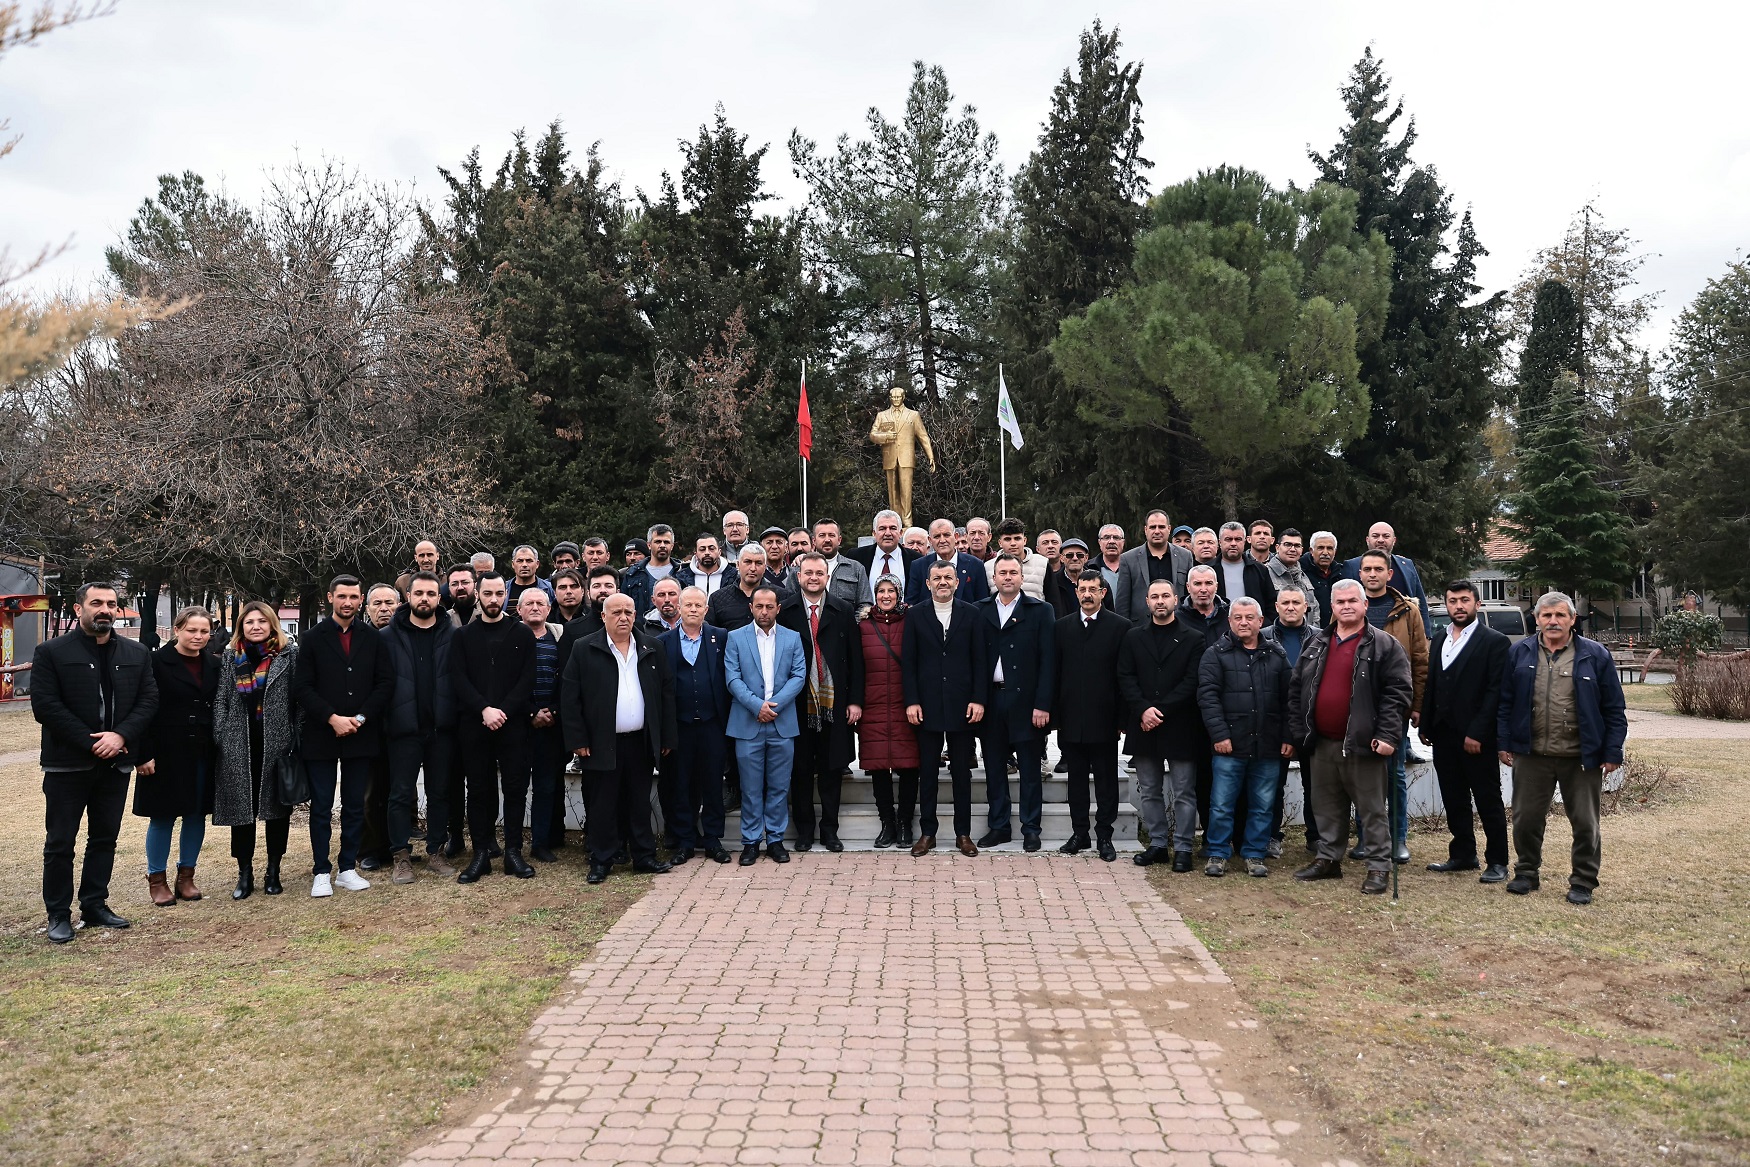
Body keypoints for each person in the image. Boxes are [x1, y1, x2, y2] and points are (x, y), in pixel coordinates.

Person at [30, 582, 158, 942]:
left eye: (112, 604)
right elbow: (46, 706)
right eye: (97, 603)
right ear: (78, 609)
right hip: (67, 765)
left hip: (115, 763)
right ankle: (58, 914)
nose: (105, 610)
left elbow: (148, 700)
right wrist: (93, 743)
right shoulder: (51, 652)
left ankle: (94, 904)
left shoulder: (136, 653)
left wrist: (120, 736)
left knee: (104, 838)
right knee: (60, 843)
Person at [1496, 592, 1627, 905]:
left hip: (1580, 757)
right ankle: (1526, 873)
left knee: (1585, 823)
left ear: (1572, 619)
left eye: (1560, 615)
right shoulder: (1519, 652)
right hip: (1531, 755)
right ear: (1536, 619)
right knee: (1526, 819)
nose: (1553, 621)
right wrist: (1504, 742)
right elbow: (1505, 703)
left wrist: (1612, 751)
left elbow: (1613, 708)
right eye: (1546, 615)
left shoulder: (1594, 655)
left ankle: (1583, 880)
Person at [1286, 579, 1413, 895]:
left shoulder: (1384, 645)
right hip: (1322, 744)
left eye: (1352, 601)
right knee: (1326, 806)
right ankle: (1329, 859)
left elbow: (1397, 694)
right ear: (1332, 607)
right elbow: (1296, 690)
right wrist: (1300, 732)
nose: (1346, 606)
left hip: (1363, 744)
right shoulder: (1316, 643)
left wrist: (1388, 735)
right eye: (1340, 602)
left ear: (1364, 604)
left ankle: (1378, 866)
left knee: (1372, 810)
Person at [561, 593, 677, 883]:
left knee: (639, 802)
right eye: (616, 612)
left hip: (640, 741)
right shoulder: (584, 648)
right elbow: (570, 698)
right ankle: (602, 860)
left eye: (628, 611)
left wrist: (665, 737)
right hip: (600, 742)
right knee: (603, 804)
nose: (623, 617)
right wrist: (578, 739)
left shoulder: (652, 646)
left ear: (636, 615)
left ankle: (644, 856)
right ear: (603, 616)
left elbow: (665, 694)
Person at [294, 575, 394, 898]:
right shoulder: (312, 638)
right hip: (322, 734)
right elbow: (302, 687)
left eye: (353, 597)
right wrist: (332, 718)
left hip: (361, 733)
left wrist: (361, 718)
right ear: (330, 598)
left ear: (360, 599)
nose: (348, 602)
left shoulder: (373, 638)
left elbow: (384, 684)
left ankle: (347, 867)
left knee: (354, 804)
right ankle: (321, 870)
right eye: (342, 597)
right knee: (322, 806)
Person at [1418, 580, 1511, 883]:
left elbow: (1496, 692)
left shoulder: (1494, 641)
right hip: (1443, 735)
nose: (1458, 606)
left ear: (1477, 604)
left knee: (1487, 799)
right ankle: (1462, 854)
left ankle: (1497, 861)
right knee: (1453, 797)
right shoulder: (1439, 639)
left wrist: (1478, 733)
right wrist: (1426, 724)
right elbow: (1433, 683)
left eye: (1464, 600)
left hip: (1476, 738)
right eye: (1452, 601)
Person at [1196, 598, 1294, 878]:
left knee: (1262, 806)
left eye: (1249, 617)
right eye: (1237, 617)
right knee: (1221, 805)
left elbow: (1290, 700)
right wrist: (1219, 734)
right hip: (1229, 745)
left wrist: (1288, 736)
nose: (1243, 622)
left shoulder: (1276, 654)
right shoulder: (1215, 654)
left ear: (1261, 621)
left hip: (1268, 745)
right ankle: (1217, 852)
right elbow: (1208, 698)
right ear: (1229, 621)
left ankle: (1254, 853)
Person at [452, 572, 537, 883]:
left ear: (506, 595)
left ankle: (513, 852)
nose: (493, 599)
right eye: (487, 593)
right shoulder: (463, 636)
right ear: (478, 594)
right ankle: (481, 854)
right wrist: (484, 709)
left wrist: (503, 711)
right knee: (478, 789)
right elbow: (458, 678)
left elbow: (527, 679)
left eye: (499, 593)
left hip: (513, 724)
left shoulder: (522, 634)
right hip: (475, 724)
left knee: (515, 788)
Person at [212, 601, 299, 902]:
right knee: (242, 812)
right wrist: (221, 734)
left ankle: (273, 871)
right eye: (249, 622)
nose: (256, 627)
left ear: (272, 624)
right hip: (239, 741)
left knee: (278, 810)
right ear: (241, 627)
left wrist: (295, 736)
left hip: (277, 741)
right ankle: (244, 872)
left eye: (262, 621)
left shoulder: (288, 654)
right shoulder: (231, 656)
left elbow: (297, 699)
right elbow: (222, 698)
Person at [778, 553, 865, 851]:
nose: (813, 578)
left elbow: (856, 659)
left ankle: (830, 831)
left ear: (827, 577)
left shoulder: (843, 609)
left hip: (833, 704)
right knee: (800, 770)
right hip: (797, 703)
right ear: (799, 576)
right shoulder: (786, 610)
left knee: (831, 770)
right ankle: (804, 831)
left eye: (819, 573)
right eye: (808, 573)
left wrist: (855, 701)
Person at [134, 605, 220, 906]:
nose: (198, 636)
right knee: (163, 815)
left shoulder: (215, 664)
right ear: (177, 630)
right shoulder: (155, 662)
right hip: (164, 750)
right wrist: (142, 754)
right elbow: (141, 709)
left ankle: (186, 877)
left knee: (196, 814)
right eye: (192, 630)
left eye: (204, 631)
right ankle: (157, 879)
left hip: (202, 750)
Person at [903, 560, 990, 857]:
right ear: (928, 583)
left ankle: (963, 833)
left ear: (957, 582)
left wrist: (978, 699)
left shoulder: (972, 613)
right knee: (927, 772)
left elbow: (980, 661)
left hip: (962, 704)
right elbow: (909, 662)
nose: (943, 582)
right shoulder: (915, 615)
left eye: (948, 577)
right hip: (926, 705)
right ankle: (928, 833)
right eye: (937, 578)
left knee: (961, 773)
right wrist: (912, 700)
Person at [379, 572, 459, 883]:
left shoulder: (453, 635)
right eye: (419, 593)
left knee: (440, 793)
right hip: (403, 730)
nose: (425, 598)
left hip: (441, 729)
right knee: (400, 794)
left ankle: (436, 851)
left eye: (431, 593)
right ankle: (400, 856)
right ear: (408, 597)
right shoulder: (387, 637)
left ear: (439, 598)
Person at [1118, 581, 1204, 871]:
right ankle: (1157, 845)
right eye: (1154, 596)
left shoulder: (1194, 638)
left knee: (1184, 791)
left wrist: (1160, 711)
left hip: (1180, 724)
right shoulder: (1133, 637)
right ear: (1147, 602)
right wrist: (1143, 709)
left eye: (1165, 596)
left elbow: (1192, 681)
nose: (1160, 601)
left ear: (1176, 600)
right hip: (1143, 724)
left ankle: (1183, 848)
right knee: (1149, 790)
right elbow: (1125, 676)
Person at [976, 552, 1055, 851]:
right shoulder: (979, 610)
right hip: (991, 700)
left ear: (1022, 577)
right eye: (1002, 573)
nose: (1008, 577)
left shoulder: (1041, 610)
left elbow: (1049, 661)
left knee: (1030, 771)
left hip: (1027, 703)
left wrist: (1043, 704)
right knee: (994, 769)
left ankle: (1031, 828)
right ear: (994, 578)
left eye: (1013, 572)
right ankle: (999, 827)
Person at [724, 587, 808, 865]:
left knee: (779, 787)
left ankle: (775, 840)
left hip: (782, 723)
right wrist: (756, 706)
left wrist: (773, 707)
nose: (764, 612)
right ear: (751, 608)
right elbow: (732, 678)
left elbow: (799, 676)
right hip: (747, 722)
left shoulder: (792, 638)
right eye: (759, 606)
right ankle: (750, 842)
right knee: (749, 788)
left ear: (778, 609)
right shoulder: (735, 638)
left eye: (769, 606)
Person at [1357, 547, 1429, 863]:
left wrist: (1417, 704)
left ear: (1389, 574)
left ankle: (1398, 838)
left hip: (1394, 704)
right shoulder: (1350, 605)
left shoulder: (1407, 610)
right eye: (1367, 569)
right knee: (1361, 773)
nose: (1372, 574)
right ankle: (1366, 837)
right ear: (1360, 574)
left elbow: (1420, 658)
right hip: (1358, 705)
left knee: (1394, 773)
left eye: (1378, 569)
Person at [1053, 569, 1131, 861]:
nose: (1087, 594)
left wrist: (1122, 719)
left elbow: (1125, 677)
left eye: (1092, 590)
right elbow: (1055, 674)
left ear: (1103, 593)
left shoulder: (1120, 627)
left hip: (1105, 719)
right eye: (1082, 589)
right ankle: (1080, 833)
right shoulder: (1061, 627)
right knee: (1076, 781)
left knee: (1106, 781)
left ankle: (1105, 836)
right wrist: (1056, 716)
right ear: (1076, 592)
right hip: (1071, 718)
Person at [658, 587, 732, 864]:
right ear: (679, 607)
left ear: (706, 610)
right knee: (681, 784)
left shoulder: (720, 637)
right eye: (687, 604)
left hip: (713, 725)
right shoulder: (663, 642)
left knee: (713, 783)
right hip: (680, 726)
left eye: (698, 605)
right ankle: (685, 841)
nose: (692, 609)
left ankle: (713, 840)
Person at [857, 578, 919, 848]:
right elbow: (856, 667)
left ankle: (905, 822)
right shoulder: (863, 626)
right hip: (873, 705)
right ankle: (887, 823)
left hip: (907, 705)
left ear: (899, 593)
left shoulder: (912, 622)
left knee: (909, 766)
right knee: (878, 767)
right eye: (880, 591)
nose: (885, 596)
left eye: (891, 591)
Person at [1262, 587, 1313, 856]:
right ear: (1276, 606)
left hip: (1311, 723)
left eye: (1296, 602)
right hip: (1274, 722)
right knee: (1272, 785)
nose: (1290, 607)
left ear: (1306, 606)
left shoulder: (1320, 638)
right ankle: (1271, 836)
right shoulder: (1262, 637)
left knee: (1315, 784)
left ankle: (1316, 836)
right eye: (1285, 602)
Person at [517, 588, 566, 866]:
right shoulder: (512, 638)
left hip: (551, 724)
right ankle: (513, 844)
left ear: (549, 609)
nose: (535, 607)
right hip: (519, 724)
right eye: (529, 603)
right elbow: (506, 682)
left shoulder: (559, 640)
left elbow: (567, 680)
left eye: (540, 603)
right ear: (519, 610)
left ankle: (541, 843)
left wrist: (553, 711)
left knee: (546, 787)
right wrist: (531, 712)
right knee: (517, 786)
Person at [356, 583, 401, 873]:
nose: (384, 609)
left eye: (389, 603)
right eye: (377, 603)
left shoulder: (405, 636)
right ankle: (369, 849)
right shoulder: (360, 639)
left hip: (401, 725)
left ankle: (394, 845)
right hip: (368, 725)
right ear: (367, 607)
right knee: (370, 793)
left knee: (396, 790)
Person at [869, 385, 937, 527]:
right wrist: (886, 436)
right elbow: (873, 435)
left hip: (906, 458)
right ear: (890, 398)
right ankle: (895, 523)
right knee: (892, 493)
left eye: (898, 397)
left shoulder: (913, 415)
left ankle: (907, 523)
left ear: (903, 397)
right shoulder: (882, 415)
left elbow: (923, 436)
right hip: (889, 457)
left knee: (906, 492)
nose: (896, 400)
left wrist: (930, 456)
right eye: (893, 397)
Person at [1341, 521, 1431, 628]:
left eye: (1386, 536)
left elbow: (1421, 603)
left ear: (1394, 540)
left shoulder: (1407, 565)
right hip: (1364, 629)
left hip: (1403, 630)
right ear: (1367, 540)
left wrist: (1426, 633)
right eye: (1375, 536)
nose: (1380, 540)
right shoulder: (1352, 566)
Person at [1115, 509, 1194, 623]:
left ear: (1169, 529)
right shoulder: (1128, 559)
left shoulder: (1185, 556)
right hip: (1141, 626)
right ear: (1145, 530)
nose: (1157, 531)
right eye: (1152, 527)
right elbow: (1122, 601)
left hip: (1178, 624)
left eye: (1161, 527)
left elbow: (1190, 595)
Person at [907, 517, 990, 605]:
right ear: (930, 540)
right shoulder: (918, 566)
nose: (942, 540)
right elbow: (912, 603)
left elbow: (982, 602)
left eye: (946, 535)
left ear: (955, 537)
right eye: (937, 536)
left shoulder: (975, 564)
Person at [850, 509, 922, 604]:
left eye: (893, 528)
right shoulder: (856, 557)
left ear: (901, 533)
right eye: (882, 528)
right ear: (874, 533)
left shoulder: (916, 560)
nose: (888, 533)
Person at [622, 524, 694, 616]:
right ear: (649, 545)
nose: (662, 545)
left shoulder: (683, 572)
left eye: (666, 542)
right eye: (658, 542)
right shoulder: (633, 573)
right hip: (641, 624)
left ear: (672, 546)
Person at [1214, 522, 1277, 621]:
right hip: (1217, 627)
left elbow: (1271, 604)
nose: (1233, 543)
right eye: (1228, 539)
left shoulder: (1260, 570)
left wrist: (1265, 625)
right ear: (1220, 542)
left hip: (1254, 628)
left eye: (1238, 539)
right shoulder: (1209, 570)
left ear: (1244, 542)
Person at [709, 543, 779, 631]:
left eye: (758, 563)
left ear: (765, 567)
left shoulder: (781, 596)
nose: (753, 568)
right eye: (748, 562)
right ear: (738, 565)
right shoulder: (717, 599)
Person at [803, 518, 869, 607]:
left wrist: (851, 617)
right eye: (822, 535)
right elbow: (790, 604)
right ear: (814, 541)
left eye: (831, 535)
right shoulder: (800, 568)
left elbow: (865, 604)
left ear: (839, 540)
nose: (827, 540)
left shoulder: (856, 569)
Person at [1265, 529, 1322, 629]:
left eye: (1297, 546)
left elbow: (1314, 609)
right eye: (1287, 544)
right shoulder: (1265, 573)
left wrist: (1314, 633)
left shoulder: (1302, 575)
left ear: (1302, 550)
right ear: (1277, 548)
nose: (1292, 549)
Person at [983, 518, 1049, 600]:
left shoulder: (1042, 563)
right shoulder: (988, 567)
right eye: (1007, 539)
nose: (1013, 543)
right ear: (1000, 543)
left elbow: (1053, 599)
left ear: (1024, 540)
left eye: (1017, 538)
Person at [1305, 532, 1340, 626]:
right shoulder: (1301, 573)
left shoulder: (1341, 573)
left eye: (1329, 548)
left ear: (1335, 552)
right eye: (1320, 548)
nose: (1325, 553)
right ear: (1311, 551)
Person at [1050, 539, 1090, 617]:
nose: (1075, 558)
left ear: (1086, 558)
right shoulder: (1052, 583)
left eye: (1080, 555)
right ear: (1061, 558)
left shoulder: (1098, 582)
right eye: (1069, 555)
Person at [1095, 524, 1125, 595]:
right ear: (1099, 542)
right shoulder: (1089, 567)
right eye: (1106, 537)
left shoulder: (1134, 567)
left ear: (1123, 542)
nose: (1111, 541)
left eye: (1116, 537)